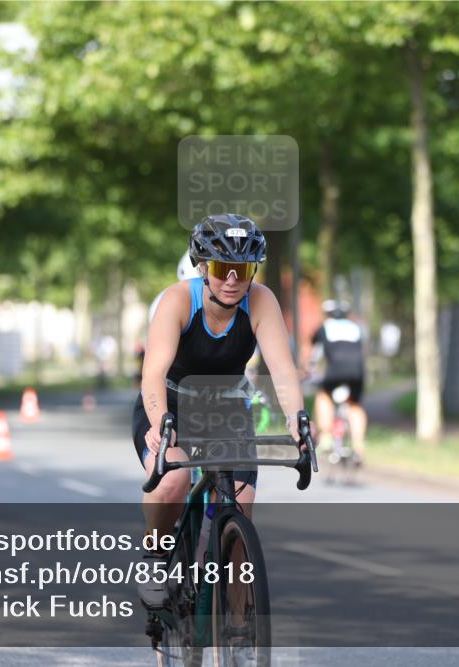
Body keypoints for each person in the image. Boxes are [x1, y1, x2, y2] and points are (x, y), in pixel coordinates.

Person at [133, 214, 314, 607]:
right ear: (203, 268)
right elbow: (153, 371)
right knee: (172, 482)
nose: (232, 280)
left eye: (241, 270)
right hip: (171, 402)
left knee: (239, 509)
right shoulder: (179, 299)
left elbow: (282, 371)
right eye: (221, 269)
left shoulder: (261, 300)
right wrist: (160, 422)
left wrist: (297, 422)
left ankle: (236, 625)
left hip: (227, 407)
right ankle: (155, 557)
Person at [308, 300, 367, 465]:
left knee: (324, 396)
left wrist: (308, 369)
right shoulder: (356, 327)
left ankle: (326, 438)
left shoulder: (324, 327)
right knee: (355, 405)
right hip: (357, 372)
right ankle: (358, 448)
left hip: (336, 370)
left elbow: (315, 354)